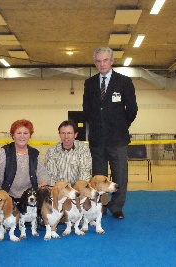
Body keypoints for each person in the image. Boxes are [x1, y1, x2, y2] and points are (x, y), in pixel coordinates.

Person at [83, 47, 138, 219]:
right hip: (97, 140)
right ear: (95, 63)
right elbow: (87, 110)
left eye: (105, 60)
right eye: (98, 61)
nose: (102, 64)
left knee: (120, 174)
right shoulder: (89, 83)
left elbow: (133, 109)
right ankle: (100, 206)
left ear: (112, 61)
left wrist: (121, 125)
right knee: (99, 177)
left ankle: (116, 207)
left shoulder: (124, 82)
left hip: (118, 139)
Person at [0, 119, 49, 199]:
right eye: (18, 133)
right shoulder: (4, 152)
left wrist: (44, 182)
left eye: (25, 133)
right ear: (13, 135)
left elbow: (42, 173)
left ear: (30, 136)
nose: (22, 136)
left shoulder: (35, 154)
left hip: (30, 197)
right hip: (7, 196)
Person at [45, 120, 92, 186]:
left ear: (75, 135)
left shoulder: (83, 149)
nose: (66, 136)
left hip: (78, 189)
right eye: (63, 133)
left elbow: (84, 174)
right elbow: (51, 177)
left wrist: (75, 191)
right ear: (59, 135)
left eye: (69, 133)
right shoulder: (51, 151)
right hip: (60, 190)